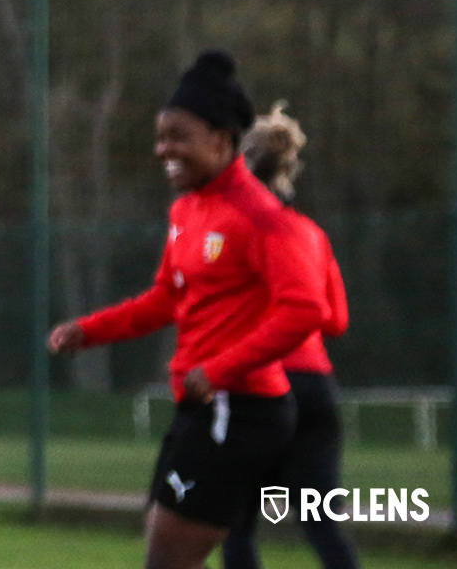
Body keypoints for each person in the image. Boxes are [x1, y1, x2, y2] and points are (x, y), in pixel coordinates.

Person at [49, 51, 325, 569]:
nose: (163, 150)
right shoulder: (187, 210)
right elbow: (165, 299)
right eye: (160, 136)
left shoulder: (262, 217)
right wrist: (88, 330)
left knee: (167, 558)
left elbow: (306, 308)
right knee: (173, 547)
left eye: (178, 136)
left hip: (239, 409)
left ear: (222, 140)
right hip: (202, 408)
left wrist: (220, 368)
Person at [222, 104, 357, 569]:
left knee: (236, 523)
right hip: (316, 386)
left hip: (259, 387)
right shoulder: (310, 235)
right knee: (321, 523)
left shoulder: (230, 230)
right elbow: (335, 320)